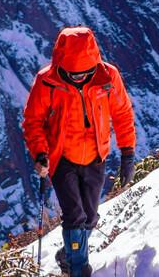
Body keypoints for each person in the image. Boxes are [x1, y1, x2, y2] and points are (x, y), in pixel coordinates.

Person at [22, 26, 137, 277]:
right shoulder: (47, 81)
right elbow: (33, 121)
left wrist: (127, 153)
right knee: (75, 217)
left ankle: (68, 253)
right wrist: (40, 153)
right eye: (72, 73)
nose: (78, 77)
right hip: (62, 158)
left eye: (84, 72)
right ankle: (78, 269)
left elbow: (122, 114)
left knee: (90, 217)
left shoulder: (108, 78)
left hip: (96, 157)